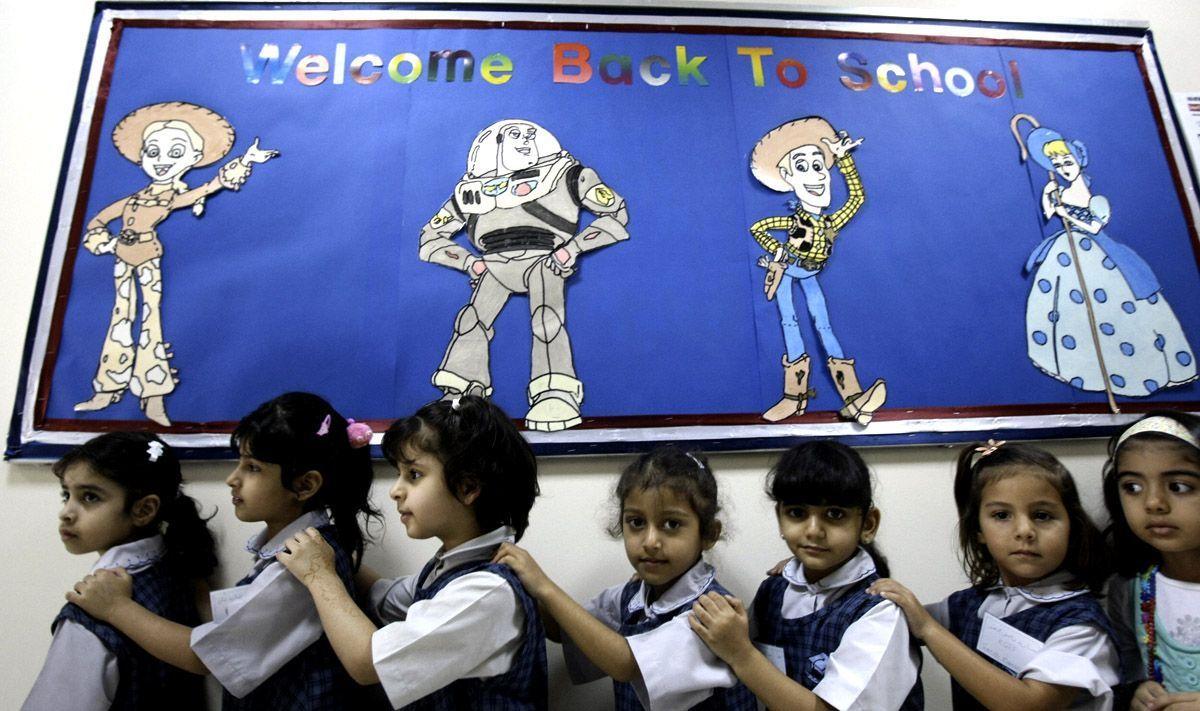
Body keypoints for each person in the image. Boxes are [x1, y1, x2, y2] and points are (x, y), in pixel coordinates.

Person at [67, 392, 383, 709]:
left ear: (304, 485)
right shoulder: (297, 549)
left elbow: (203, 656)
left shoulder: (299, 565)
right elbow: (237, 625)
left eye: (253, 468)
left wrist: (115, 608)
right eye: (239, 464)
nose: (233, 479)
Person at [277, 395, 546, 709]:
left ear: (468, 488)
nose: (395, 490)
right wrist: (335, 556)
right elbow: (386, 598)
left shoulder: (484, 594)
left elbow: (367, 662)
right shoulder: (450, 568)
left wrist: (319, 576)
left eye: (414, 475)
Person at [493, 446, 755, 710]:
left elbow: (626, 664)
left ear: (709, 534)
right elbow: (566, 630)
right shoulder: (631, 597)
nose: (650, 542)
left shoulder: (713, 614)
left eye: (672, 525)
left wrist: (545, 586)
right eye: (637, 523)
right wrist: (517, 584)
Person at [73, 101, 279, 426]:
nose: (162, 161)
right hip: (122, 264)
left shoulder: (171, 197)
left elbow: (209, 187)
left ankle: (152, 394)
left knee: (149, 324)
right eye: (153, 152)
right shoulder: (135, 198)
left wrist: (246, 160)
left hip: (147, 264)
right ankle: (109, 388)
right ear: (141, 155)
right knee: (119, 321)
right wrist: (106, 242)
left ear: (194, 158)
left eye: (175, 152)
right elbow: (98, 220)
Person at [871, 441, 1118, 709]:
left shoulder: (1081, 626)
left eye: (1043, 515)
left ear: (1072, 525)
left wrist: (929, 630)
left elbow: (1028, 705)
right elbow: (898, 622)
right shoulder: (970, 605)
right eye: (1002, 515)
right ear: (978, 529)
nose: (1024, 530)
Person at [418, 119, 629, 432]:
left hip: (545, 259)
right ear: (495, 143)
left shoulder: (568, 174)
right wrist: (470, 263)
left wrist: (572, 249)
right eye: (515, 135)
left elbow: (615, 214)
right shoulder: (472, 190)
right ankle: (461, 391)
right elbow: (430, 239)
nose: (525, 140)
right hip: (492, 262)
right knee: (470, 321)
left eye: (530, 135)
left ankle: (555, 392)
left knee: (547, 319)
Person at [688, 440, 922, 710]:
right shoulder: (774, 590)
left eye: (834, 514)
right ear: (780, 518)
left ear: (868, 524)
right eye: (797, 513)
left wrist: (742, 655)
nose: (813, 530)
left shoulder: (880, 613)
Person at [24, 432, 215, 710]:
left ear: (144, 510)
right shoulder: (178, 572)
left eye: (90, 497)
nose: (66, 512)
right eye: (67, 494)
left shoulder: (91, 608)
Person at [1022, 126, 1195, 398]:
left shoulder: (1095, 198)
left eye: (1068, 162)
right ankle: (1077, 366)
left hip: (1099, 255)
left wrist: (1066, 213)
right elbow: (1047, 214)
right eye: (1058, 164)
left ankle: (1135, 371)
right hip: (1067, 253)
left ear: (1079, 160)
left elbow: (1093, 227)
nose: (1064, 168)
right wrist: (1050, 196)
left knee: (1114, 307)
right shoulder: (1060, 190)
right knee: (1065, 308)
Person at [748, 116, 886, 425]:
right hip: (789, 272)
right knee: (791, 325)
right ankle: (793, 397)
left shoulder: (829, 222)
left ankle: (853, 397)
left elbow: (857, 197)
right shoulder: (794, 221)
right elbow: (760, 227)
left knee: (824, 327)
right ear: (787, 176)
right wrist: (778, 251)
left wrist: (844, 158)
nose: (816, 175)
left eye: (819, 165)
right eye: (802, 166)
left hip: (810, 275)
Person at [1101, 412, 1200, 710]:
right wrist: (1138, 691)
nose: (1153, 503)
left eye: (1179, 486)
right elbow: (1130, 661)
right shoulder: (1129, 588)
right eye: (1132, 487)